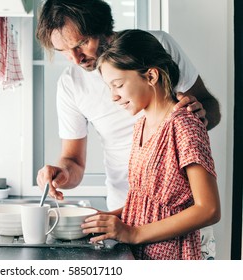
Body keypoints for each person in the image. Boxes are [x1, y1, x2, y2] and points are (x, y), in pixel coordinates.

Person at [35, 0, 220, 258]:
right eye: (63, 51)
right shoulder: (136, 123)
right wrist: (66, 177)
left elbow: (208, 208)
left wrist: (197, 120)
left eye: (80, 44)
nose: (75, 59)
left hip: (174, 232)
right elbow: (74, 161)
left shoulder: (157, 48)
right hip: (129, 216)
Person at [80, 29, 221, 260]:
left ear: (151, 77)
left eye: (118, 85)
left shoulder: (184, 125)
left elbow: (209, 209)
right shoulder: (140, 126)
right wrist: (107, 218)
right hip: (145, 255)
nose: (113, 96)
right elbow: (145, 203)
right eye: (109, 88)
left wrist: (133, 234)